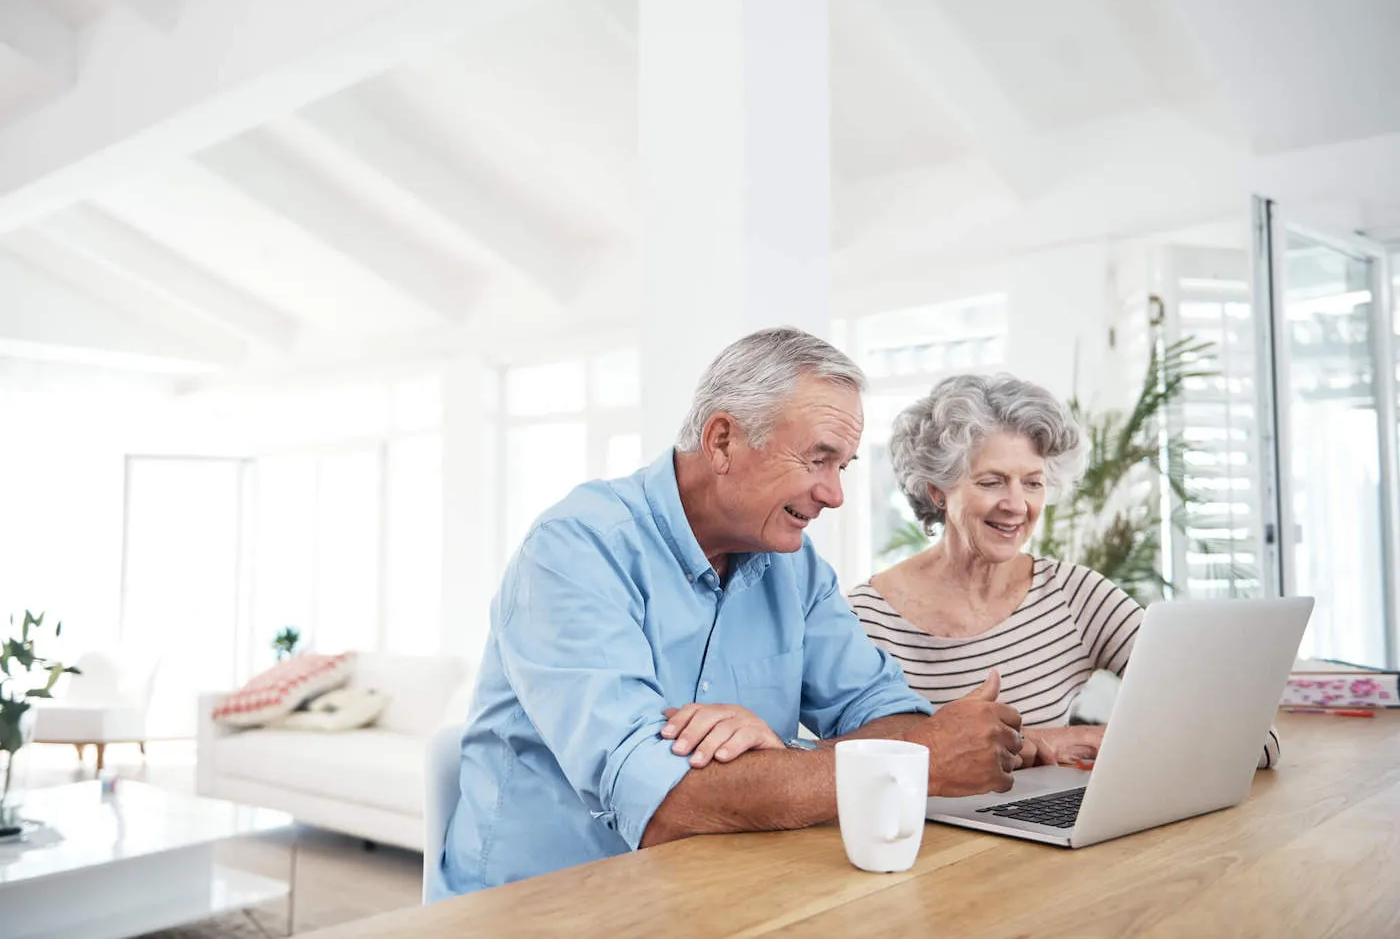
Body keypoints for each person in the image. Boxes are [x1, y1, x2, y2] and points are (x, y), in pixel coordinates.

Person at [429, 329, 1025, 898]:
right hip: (541, 909)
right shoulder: (576, 550)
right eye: (818, 459)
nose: (834, 494)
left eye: (841, 467)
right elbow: (667, 803)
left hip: (710, 892)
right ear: (722, 441)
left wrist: (789, 755)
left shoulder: (794, 564)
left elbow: (891, 718)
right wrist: (908, 760)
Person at [847, 373, 1280, 769]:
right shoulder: (865, 616)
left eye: (1033, 483)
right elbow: (852, 768)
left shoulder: (1075, 595)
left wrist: (1092, 739)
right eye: (991, 481)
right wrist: (1036, 742)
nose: (1017, 505)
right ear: (936, 492)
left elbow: (1249, 739)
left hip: (1051, 841)